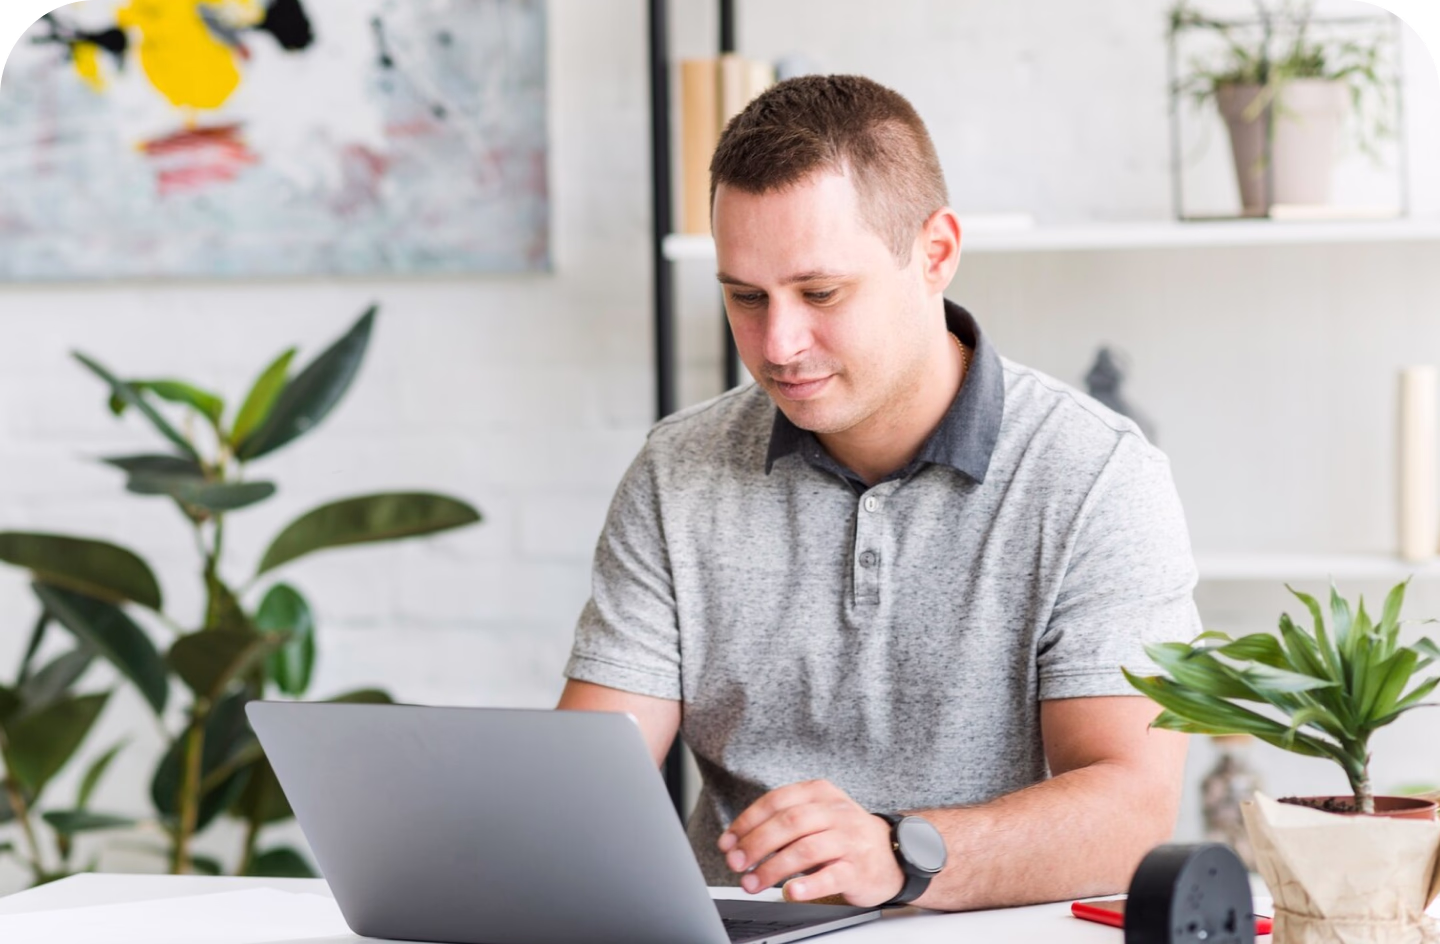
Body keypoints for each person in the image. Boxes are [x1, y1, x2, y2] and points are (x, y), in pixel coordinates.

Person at [557, 74, 1197, 913]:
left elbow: (1132, 811)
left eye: (821, 293)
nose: (779, 343)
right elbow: (584, 783)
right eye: (745, 297)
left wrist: (902, 851)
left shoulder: (1096, 477)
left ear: (934, 253)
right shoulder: (678, 471)